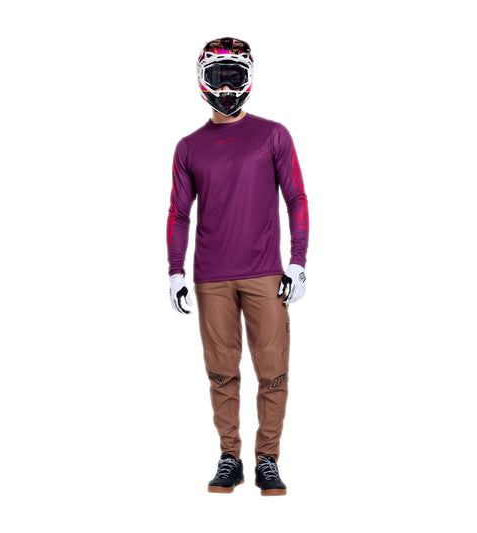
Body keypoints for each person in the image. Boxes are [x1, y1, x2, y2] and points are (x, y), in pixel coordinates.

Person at [166, 37, 309, 496]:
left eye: (235, 77)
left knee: (273, 370)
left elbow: (296, 197)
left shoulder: (273, 135)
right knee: (221, 372)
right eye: (218, 77)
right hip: (211, 277)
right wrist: (174, 270)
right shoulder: (188, 147)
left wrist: (298, 261)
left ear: (248, 79)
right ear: (202, 80)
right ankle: (230, 457)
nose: (227, 88)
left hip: (266, 273)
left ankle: (268, 459)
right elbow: (179, 212)